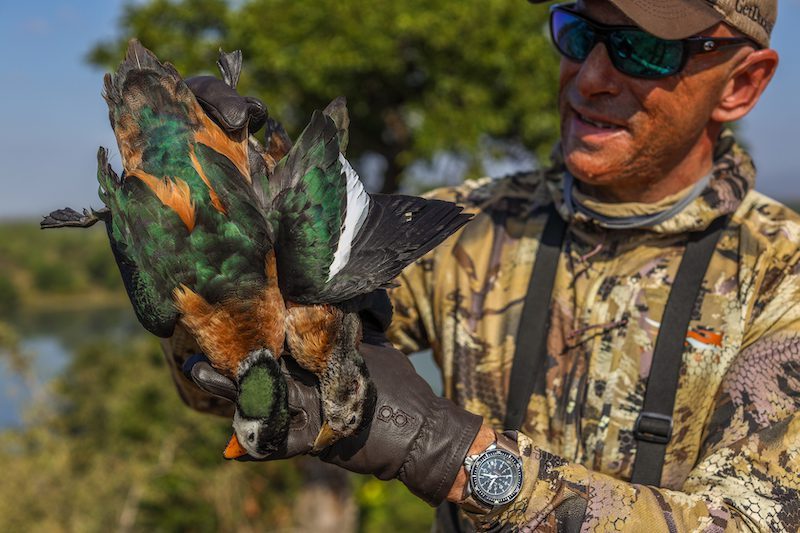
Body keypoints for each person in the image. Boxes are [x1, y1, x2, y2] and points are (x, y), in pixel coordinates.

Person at [164, 0, 800, 530]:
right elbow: (222, 393)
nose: (589, 79)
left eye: (644, 50)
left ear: (742, 83)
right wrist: (228, 240)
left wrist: (445, 452)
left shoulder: (781, 275)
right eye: (580, 35)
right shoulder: (459, 225)